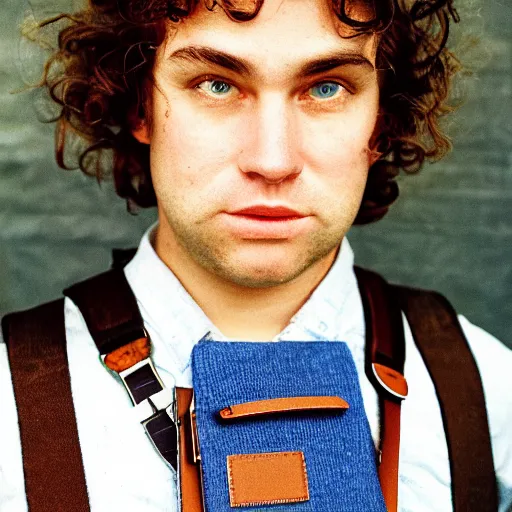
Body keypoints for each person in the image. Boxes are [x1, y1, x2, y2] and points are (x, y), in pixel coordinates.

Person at [1, 0, 511, 510]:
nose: (272, 160)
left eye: (326, 87)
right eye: (216, 84)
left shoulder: (489, 393)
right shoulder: (10, 399)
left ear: (379, 122)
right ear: (140, 108)